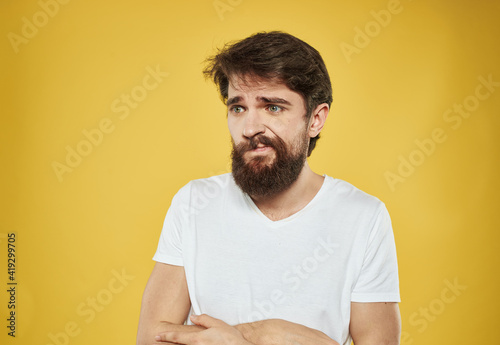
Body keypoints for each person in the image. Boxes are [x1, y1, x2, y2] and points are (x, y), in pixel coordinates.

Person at [137, 31, 401, 345]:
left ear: (315, 119)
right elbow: (153, 339)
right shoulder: (194, 202)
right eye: (238, 108)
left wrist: (257, 335)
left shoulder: (364, 218)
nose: (250, 128)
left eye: (272, 107)